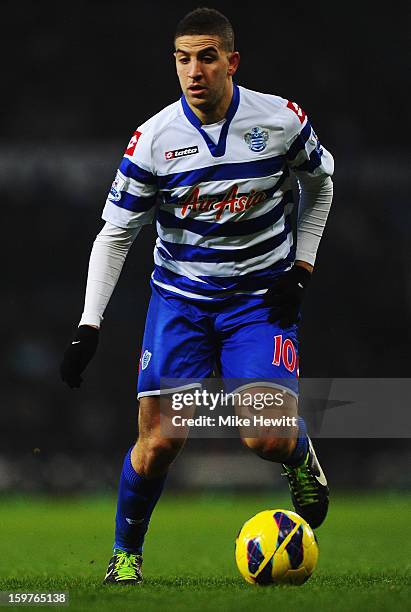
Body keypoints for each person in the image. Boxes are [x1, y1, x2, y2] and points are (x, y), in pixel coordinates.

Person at [61, 7, 333, 585]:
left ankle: (301, 457)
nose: (193, 70)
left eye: (206, 56)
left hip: (259, 298)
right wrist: (89, 325)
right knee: (159, 440)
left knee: (266, 436)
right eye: (183, 58)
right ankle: (125, 556)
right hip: (180, 300)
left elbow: (321, 182)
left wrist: (302, 267)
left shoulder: (281, 121)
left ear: (231, 61)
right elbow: (115, 235)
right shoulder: (155, 140)